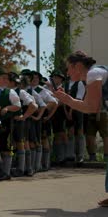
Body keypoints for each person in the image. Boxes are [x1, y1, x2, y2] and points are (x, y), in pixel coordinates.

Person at [53, 51, 108, 207]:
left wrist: (68, 100)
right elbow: (88, 107)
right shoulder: (89, 78)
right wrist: (68, 100)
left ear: (77, 66)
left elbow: (91, 107)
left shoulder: (93, 74)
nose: (67, 73)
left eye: (69, 68)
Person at [8, 72, 38, 177]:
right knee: (15, 143)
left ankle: (25, 168)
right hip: (10, 121)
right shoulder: (8, 91)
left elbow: (34, 106)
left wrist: (24, 116)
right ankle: (21, 167)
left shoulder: (20, 92)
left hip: (20, 122)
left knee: (23, 143)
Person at [0, 69, 21, 181]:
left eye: (7, 78)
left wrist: (8, 108)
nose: (6, 80)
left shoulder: (10, 92)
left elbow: (18, 105)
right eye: (3, 78)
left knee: (6, 146)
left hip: (5, 123)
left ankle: (6, 172)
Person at [30, 70, 58, 171]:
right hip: (30, 117)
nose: (34, 79)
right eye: (32, 77)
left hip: (42, 118)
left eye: (36, 78)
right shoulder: (26, 89)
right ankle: (36, 165)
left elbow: (54, 103)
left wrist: (47, 115)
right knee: (33, 140)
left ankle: (45, 165)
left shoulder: (42, 90)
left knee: (43, 139)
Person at [64, 73, 86, 165]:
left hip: (77, 109)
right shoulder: (66, 84)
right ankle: (71, 155)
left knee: (79, 132)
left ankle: (80, 156)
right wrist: (66, 111)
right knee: (70, 132)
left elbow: (78, 98)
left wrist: (70, 111)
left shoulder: (79, 83)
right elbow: (64, 99)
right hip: (68, 109)